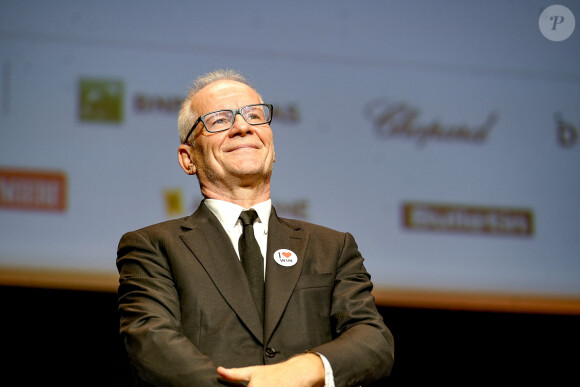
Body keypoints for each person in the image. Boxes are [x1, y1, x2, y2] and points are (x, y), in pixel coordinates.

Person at [117, 69, 394, 386]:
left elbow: (373, 340)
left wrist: (304, 369)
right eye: (219, 120)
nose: (243, 127)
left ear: (272, 149)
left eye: (254, 116)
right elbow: (152, 342)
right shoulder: (153, 246)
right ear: (187, 158)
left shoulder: (332, 247)